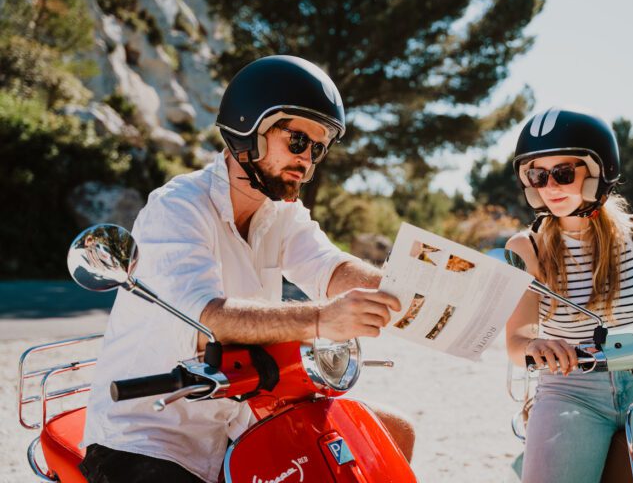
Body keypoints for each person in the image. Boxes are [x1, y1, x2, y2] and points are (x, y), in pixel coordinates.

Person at [80, 56, 415, 483]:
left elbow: (330, 267)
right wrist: (321, 319)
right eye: (297, 141)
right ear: (249, 129)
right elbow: (214, 317)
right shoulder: (178, 207)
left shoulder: (282, 214)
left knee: (394, 434)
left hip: (239, 419)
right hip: (148, 432)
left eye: (317, 148)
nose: (307, 160)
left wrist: (408, 289)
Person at [504, 108, 633, 482]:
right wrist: (536, 347)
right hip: (570, 390)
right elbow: (516, 342)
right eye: (537, 174)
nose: (549, 186)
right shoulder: (527, 247)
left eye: (563, 173)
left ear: (599, 172)